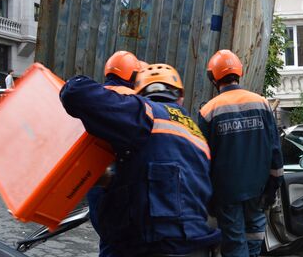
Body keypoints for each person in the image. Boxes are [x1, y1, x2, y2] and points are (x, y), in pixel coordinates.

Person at [60, 63, 221, 256]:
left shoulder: (143, 112)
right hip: (198, 246)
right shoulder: (198, 136)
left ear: (138, 93)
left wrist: (101, 88)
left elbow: (75, 92)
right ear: (180, 97)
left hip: (152, 246)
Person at [198, 49, 282, 257]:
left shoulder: (209, 111)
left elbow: (202, 159)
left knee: (235, 242)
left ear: (214, 78)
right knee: (254, 236)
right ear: (239, 73)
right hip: (258, 187)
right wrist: (274, 184)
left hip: (227, 192)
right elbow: (275, 149)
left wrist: (206, 196)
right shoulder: (261, 103)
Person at [86, 51, 144, 256]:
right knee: (124, 243)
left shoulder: (94, 95)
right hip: (121, 182)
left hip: (94, 180)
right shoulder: (133, 100)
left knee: (108, 240)